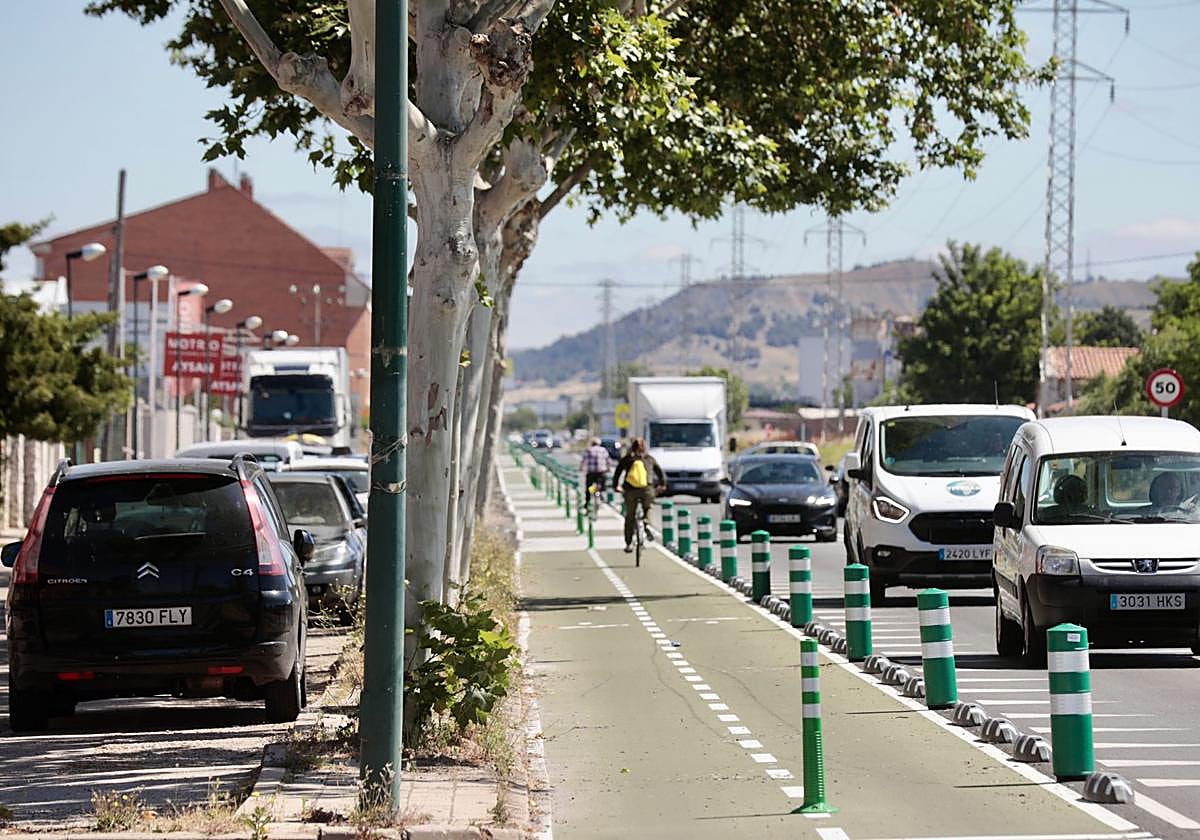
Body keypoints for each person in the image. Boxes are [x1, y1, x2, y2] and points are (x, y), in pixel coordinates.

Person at [612, 437, 666, 554]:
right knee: (648, 507)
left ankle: (629, 543)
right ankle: (647, 524)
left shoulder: (628, 459)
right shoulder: (649, 458)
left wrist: (616, 486)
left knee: (630, 516)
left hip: (630, 491)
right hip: (647, 490)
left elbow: (617, 472)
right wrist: (662, 485)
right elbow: (660, 472)